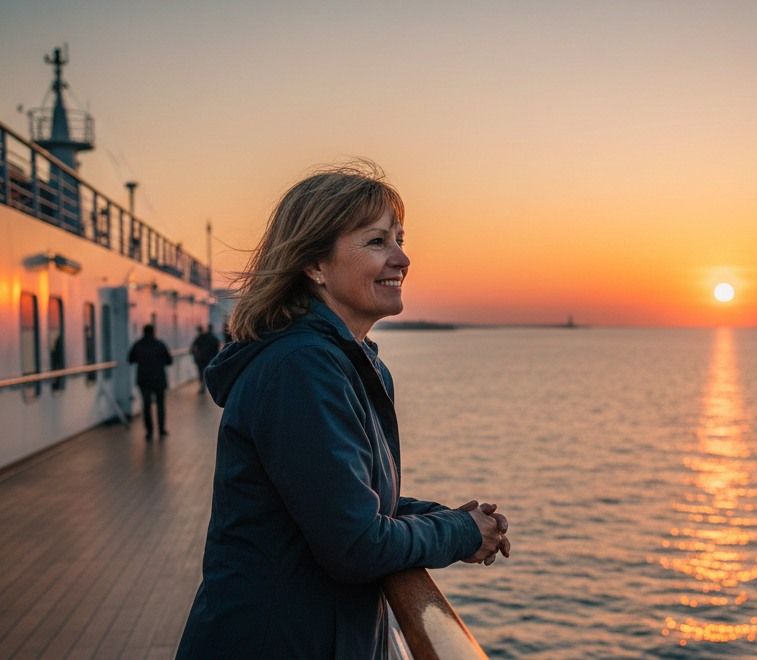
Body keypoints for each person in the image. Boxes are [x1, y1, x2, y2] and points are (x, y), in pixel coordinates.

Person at [176, 164, 511, 659]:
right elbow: (355, 544)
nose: (402, 257)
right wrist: (460, 534)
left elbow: (349, 501)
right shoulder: (300, 368)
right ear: (314, 265)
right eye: (377, 242)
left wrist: (450, 517)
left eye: (399, 238)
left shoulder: (341, 360)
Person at [127, 324, 172, 440]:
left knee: (146, 406)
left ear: (144, 332)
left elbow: (130, 359)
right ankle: (161, 430)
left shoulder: (138, 345)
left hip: (144, 380)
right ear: (153, 332)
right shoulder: (160, 344)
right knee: (160, 405)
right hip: (159, 379)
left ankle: (149, 432)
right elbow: (169, 361)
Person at [189, 324, 220, 393]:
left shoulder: (200, 337)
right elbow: (217, 348)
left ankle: (202, 386)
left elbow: (192, 348)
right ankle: (211, 386)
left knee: (201, 373)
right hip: (210, 359)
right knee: (210, 372)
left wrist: (196, 354)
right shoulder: (213, 338)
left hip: (201, 359)